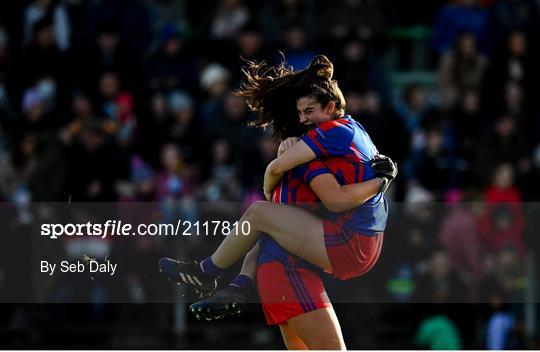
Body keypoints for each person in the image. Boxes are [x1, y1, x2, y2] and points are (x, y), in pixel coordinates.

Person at [159, 55, 395, 346]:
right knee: (264, 220)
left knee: (261, 214)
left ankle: (212, 273)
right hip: (324, 258)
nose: (304, 119)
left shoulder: (320, 142)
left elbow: (280, 182)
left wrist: (280, 165)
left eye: (308, 111)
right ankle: (231, 283)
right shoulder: (350, 130)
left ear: (330, 108)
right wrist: (381, 182)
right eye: (299, 113)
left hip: (327, 254)